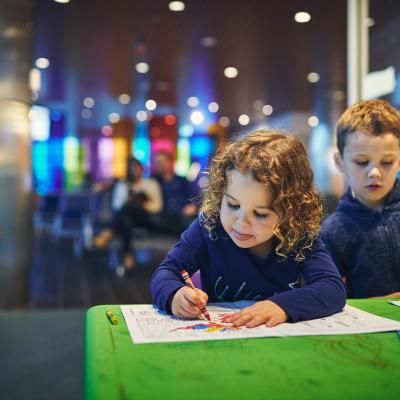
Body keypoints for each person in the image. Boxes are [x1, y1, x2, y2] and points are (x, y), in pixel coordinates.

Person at [151, 130, 346, 327]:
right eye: (233, 205)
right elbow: (166, 272)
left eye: (260, 213)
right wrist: (175, 295)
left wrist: (281, 306)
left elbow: (332, 289)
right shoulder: (208, 226)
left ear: (291, 212)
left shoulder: (298, 236)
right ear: (221, 195)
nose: (241, 222)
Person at [320, 99, 400, 298]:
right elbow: (328, 296)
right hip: (370, 326)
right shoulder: (333, 231)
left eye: (387, 162)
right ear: (340, 162)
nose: (374, 172)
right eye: (361, 162)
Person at [94, 157, 162, 269]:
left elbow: (158, 206)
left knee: (130, 207)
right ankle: (128, 255)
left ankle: (109, 232)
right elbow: (116, 206)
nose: (134, 171)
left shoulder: (151, 183)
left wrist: (143, 205)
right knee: (127, 219)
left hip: (146, 217)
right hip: (127, 220)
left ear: (141, 168)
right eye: (131, 169)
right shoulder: (122, 185)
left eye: (137, 168)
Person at [152, 151, 198, 235]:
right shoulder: (154, 182)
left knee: (191, 223)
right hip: (164, 217)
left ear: (170, 162)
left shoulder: (181, 180)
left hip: (182, 215)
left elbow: (195, 196)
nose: (160, 165)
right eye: (158, 162)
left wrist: (193, 206)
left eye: (162, 162)